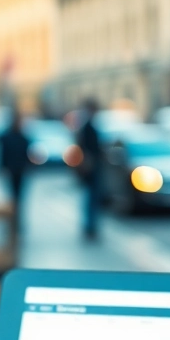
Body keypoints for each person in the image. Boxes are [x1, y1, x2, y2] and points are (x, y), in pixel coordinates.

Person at [76, 98, 104, 241]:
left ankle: (90, 226)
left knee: (90, 198)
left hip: (90, 167)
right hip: (91, 167)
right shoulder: (88, 127)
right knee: (91, 198)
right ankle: (90, 227)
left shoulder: (86, 126)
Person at [0, 109, 31, 231]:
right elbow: (2, 154)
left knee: (18, 197)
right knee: (12, 197)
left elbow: (27, 154)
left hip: (20, 170)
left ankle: (17, 221)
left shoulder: (23, 137)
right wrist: (2, 168)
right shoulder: (7, 137)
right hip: (11, 170)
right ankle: (12, 220)